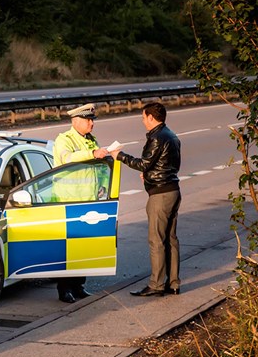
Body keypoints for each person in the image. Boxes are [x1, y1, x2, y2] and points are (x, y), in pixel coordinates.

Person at [112, 102, 181, 297]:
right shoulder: (172, 135)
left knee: (156, 240)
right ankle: (174, 283)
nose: (142, 121)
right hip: (173, 190)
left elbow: (144, 163)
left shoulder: (157, 137)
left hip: (160, 194)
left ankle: (156, 284)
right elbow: (169, 165)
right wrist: (151, 175)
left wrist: (120, 156)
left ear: (151, 117)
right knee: (171, 239)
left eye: (143, 117)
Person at [51, 103, 112, 303]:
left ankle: (79, 286)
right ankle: (65, 289)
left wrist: (103, 187)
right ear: (76, 121)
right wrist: (93, 154)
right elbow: (67, 159)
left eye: (92, 120)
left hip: (88, 202)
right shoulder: (64, 140)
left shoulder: (90, 140)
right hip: (68, 202)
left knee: (84, 247)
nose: (92, 123)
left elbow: (98, 169)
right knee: (68, 250)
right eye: (88, 120)